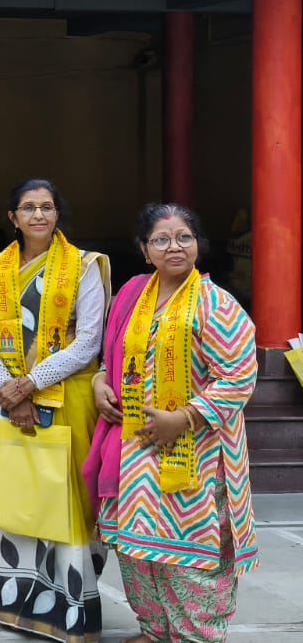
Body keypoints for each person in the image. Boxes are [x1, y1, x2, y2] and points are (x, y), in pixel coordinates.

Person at [88, 203, 259, 643]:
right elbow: (113, 357)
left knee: (190, 555)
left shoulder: (215, 304)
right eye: (161, 240)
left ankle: (195, 635)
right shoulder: (132, 296)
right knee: (138, 549)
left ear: (198, 244)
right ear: (145, 250)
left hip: (196, 455)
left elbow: (239, 376)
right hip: (135, 449)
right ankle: (155, 629)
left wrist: (184, 417)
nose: (174, 247)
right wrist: (100, 381)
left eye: (184, 237)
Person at [0, 178, 109, 643]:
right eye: (28, 208)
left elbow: (88, 341)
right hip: (5, 401)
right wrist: (10, 390)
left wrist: (31, 384)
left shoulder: (84, 265)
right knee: (20, 498)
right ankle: (17, 602)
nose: (38, 215)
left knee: (64, 499)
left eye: (47, 207)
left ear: (57, 214)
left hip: (67, 398)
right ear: (13, 217)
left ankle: (70, 609)